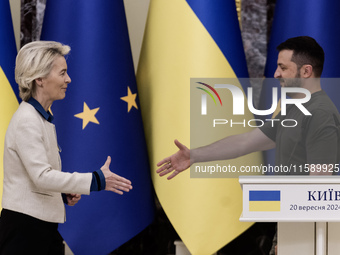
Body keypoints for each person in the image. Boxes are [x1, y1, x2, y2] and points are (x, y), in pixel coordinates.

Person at [156, 36, 340, 254]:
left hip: (305, 238)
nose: (276, 74)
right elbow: (247, 141)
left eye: (283, 67)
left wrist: (296, 238)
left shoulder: (320, 114)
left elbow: (319, 186)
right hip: (290, 230)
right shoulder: (296, 109)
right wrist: (194, 155)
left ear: (306, 71)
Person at [0, 41, 133, 255]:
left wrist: (60, 194)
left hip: (39, 228)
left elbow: (31, 180)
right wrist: (95, 180)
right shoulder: (27, 120)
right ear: (40, 79)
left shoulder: (40, 118)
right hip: (25, 231)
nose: (68, 79)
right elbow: (42, 176)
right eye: (62, 73)